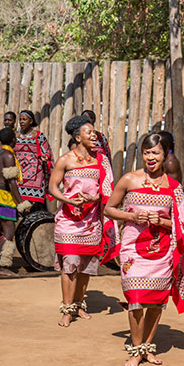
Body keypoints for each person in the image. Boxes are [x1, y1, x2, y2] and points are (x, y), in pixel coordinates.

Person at [104, 133, 184, 366]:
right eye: (146, 152)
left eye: (155, 152)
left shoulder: (174, 188)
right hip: (133, 250)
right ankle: (136, 350)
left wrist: (161, 221)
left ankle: (147, 347)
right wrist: (132, 216)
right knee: (136, 298)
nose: (150, 157)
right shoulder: (129, 180)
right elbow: (109, 209)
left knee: (157, 302)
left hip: (162, 251)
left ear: (164, 154)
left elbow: (182, 225)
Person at [49, 115, 119, 327]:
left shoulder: (100, 160)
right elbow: (52, 188)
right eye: (89, 132)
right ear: (78, 137)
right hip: (68, 221)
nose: (94, 135)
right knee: (69, 265)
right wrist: (67, 200)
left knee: (86, 266)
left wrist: (94, 198)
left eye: (94, 132)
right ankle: (66, 309)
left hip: (91, 221)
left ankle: (78, 304)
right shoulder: (65, 160)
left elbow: (106, 191)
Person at [0, 127, 32, 277]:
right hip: (2, 196)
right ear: (13, 141)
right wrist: (22, 203)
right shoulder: (9, 156)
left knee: (4, 229)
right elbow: (11, 182)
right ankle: (4, 266)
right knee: (9, 231)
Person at [14, 110, 54, 205]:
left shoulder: (39, 135)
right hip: (18, 172)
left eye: (24, 119)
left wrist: (45, 156)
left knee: (35, 204)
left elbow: (47, 150)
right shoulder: (15, 136)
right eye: (20, 119)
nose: (21, 122)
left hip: (36, 173)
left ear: (31, 121)